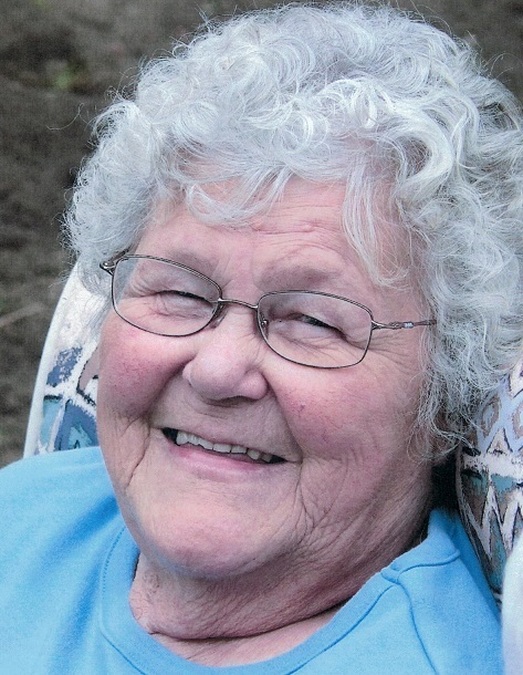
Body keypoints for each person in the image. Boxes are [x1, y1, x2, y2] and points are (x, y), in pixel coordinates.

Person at [1, 2, 522, 672]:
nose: (217, 370)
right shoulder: (26, 511)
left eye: (312, 321)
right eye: (179, 293)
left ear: (443, 400)